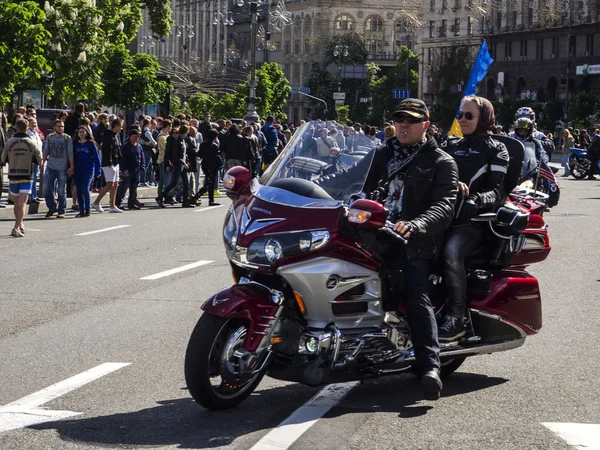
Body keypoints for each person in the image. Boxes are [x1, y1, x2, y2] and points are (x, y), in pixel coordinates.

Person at [319, 99, 459, 399]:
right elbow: (345, 179)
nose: (403, 125)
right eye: (399, 119)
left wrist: (417, 224)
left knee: (414, 290)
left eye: (410, 120)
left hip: (411, 241)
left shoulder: (440, 161)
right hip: (370, 231)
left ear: (426, 124)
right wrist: (306, 186)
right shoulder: (381, 154)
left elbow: (445, 206)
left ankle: (430, 366)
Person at [439, 96, 509, 341]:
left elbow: (498, 191)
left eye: (469, 115)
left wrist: (476, 200)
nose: (462, 119)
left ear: (484, 119)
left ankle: (456, 317)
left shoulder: (496, 149)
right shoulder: (451, 146)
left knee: (451, 250)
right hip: (442, 216)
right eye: (460, 115)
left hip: (475, 223)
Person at [0, 119, 42, 236]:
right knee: (22, 204)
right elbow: (39, 159)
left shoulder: (9, 142)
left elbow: (2, 159)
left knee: (16, 203)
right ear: (27, 128)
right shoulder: (31, 142)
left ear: (17, 128)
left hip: (13, 175)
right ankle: (16, 227)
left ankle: (20, 223)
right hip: (26, 176)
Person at [43, 120, 74, 219]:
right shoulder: (49, 137)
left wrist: (71, 166)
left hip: (62, 167)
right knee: (46, 188)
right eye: (59, 126)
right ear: (54, 127)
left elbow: (70, 153)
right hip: (50, 166)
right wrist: (42, 163)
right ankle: (52, 207)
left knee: (61, 190)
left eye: (62, 126)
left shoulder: (66, 138)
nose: (61, 128)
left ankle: (61, 210)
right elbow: (46, 151)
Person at [157, 124, 193, 208]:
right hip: (179, 164)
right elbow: (174, 155)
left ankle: (185, 202)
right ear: (185, 132)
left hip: (182, 165)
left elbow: (183, 153)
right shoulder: (178, 141)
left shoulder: (182, 140)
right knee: (174, 183)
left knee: (186, 182)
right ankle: (160, 197)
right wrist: (183, 162)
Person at [93, 118, 123, 213]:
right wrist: (110, 162)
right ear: (116, 126)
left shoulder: (115, 136)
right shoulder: (108, 136)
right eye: (120, 126)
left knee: (115, 184)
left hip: (115, 162)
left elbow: (117, 149)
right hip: (108, 163)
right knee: (110, 183)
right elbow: (107, 151)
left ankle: (112, 205)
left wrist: (119, 160)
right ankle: (96, 202)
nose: (121, 128)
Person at [73, 126, 102, 217]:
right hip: (78, 169)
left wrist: (98, 171)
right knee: (79, 189)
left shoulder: (91, 144)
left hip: (88, 169)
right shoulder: (75, 144)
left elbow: (96, 158)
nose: (82, 133)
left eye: (83, 132)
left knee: (85, 187)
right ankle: (82, 210)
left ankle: (87, 208)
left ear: (87, 133)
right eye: (80, 132)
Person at [116, 129, 145, 210]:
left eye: (137, 137)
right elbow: (122, 159)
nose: (135, 138)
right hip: (127, 171)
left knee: (133, 188)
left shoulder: (139, 146)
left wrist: (142, 166)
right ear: (130, 137)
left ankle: (131, 203)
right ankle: (118, 203)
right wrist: (124, 169)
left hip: (136, 170)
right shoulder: (126, 146)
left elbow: (142, 157)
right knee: (123, 188)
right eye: (134, 136)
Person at [194, 129, 222, 206]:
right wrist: (220, 164)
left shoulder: (203, 144)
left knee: (209, 183)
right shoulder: (214, 146)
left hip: (205, 165)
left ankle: (210, 199)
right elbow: (217, 157)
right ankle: (197, 197)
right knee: (210, 184)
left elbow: (199, 154)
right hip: (213, 166)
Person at [26, 117, 43, 204]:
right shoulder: (27, 134)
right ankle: (29, 197)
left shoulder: (36, 133)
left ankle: (34, 196)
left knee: (35, 178)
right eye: (32, 123)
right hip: (31, 159)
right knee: (31, 178)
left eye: (35, 123)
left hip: (37, 159)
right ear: (28, 124)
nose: (34, 125)